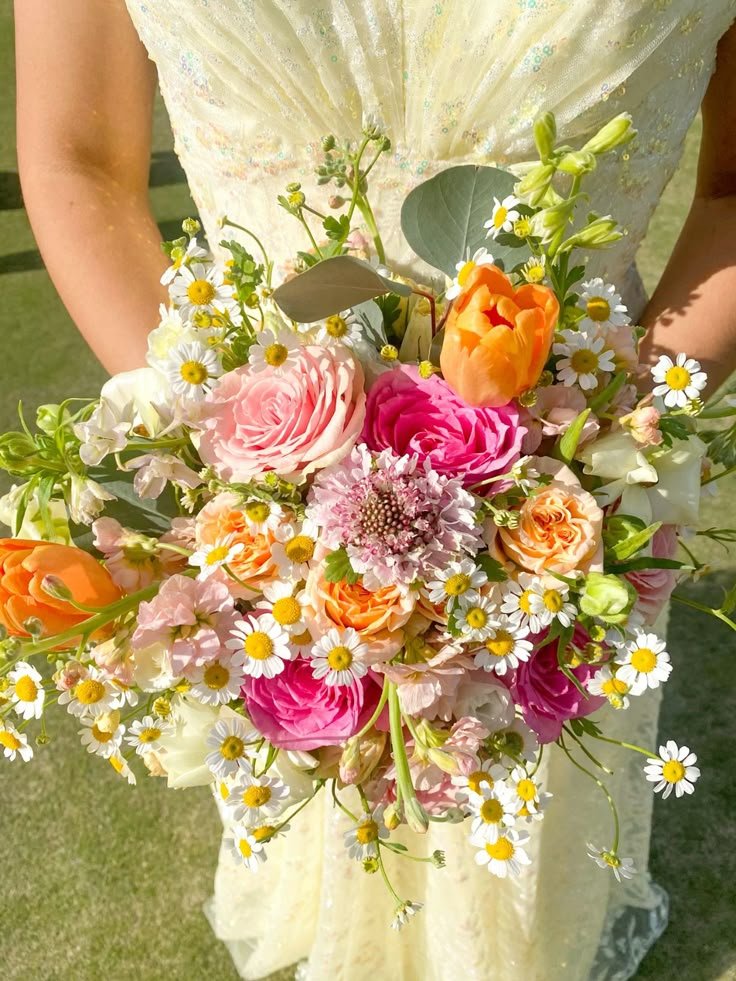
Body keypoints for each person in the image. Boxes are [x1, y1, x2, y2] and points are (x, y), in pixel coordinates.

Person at [13, 3, 736, 979]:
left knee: (512, 772)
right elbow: (81, 160)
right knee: (317, 737)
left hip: (569, 461)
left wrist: (596, 444)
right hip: (263, 485)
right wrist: (225, 455)